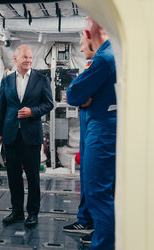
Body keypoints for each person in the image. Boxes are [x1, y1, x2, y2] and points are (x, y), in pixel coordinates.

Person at [66, 17, 117, 249]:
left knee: (99, 192)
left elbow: (74, 94)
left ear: (88, 34)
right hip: (98, 124)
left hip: (102, 128)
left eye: (81, 38)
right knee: (95, 185)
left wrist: (81, 95)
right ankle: (98, 233)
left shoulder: (104, 59)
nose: (80, 45)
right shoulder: (109, 54)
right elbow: (78, 96)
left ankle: (103, 244)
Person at [0, 45, 54, 227]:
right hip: (11, 135)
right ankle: (17, 212)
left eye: (30, 57)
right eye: (25, 58)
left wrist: (32, 111)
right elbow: (2, 109)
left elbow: (49, 104)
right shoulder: (6, 81)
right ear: (15, 59)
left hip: (31, 136)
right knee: (13, 176)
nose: (28, 60)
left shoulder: (41, 80)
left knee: (33, 177)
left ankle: (33, 213)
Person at [62, 31, 96, 234]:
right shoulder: (91, 65)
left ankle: (95, 227)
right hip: (88, 124)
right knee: (86, 176)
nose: (81, 49)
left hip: (95, 125)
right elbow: (73, 93)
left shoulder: (101, 63)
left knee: (94, 179)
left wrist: (79, 96)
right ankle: (85, 220)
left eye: (82, 44)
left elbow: (74, 94)